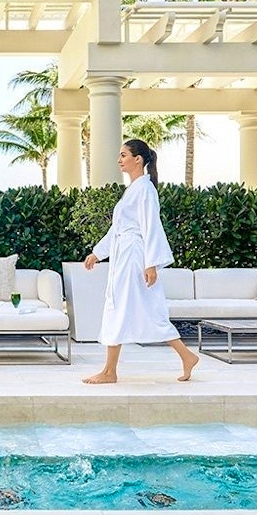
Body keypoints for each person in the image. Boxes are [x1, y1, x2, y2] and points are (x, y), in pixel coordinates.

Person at [82, 139, 199, 384]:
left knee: (128, 307)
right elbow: (118, 228)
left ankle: (110, 372)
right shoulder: (133, 190)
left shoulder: (145, 190)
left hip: (135, 257)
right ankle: (184, 356)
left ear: (138, 159)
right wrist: (98, 253)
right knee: (128, 307)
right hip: (125, 254)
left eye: (123, 154)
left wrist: (151, 263)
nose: (119, 159)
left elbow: (151, 226)